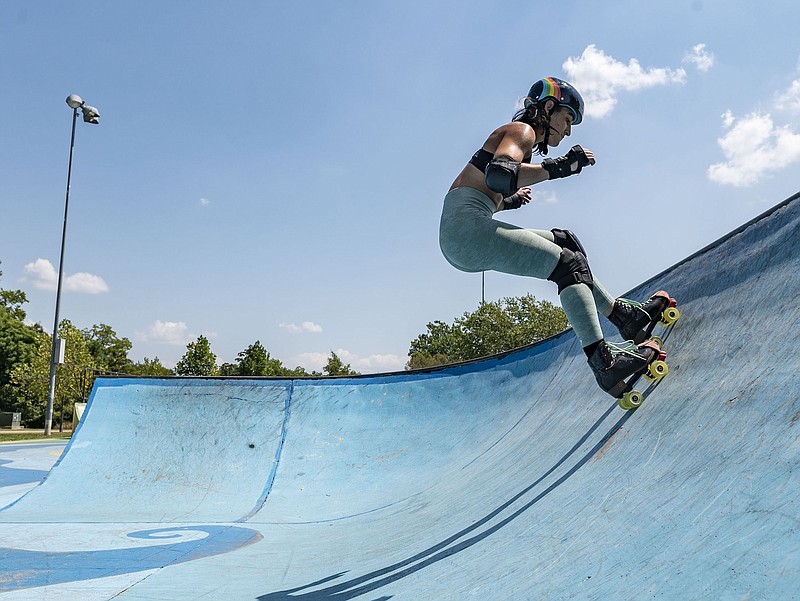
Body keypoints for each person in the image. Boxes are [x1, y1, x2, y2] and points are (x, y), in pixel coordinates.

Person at [439, 77, 673, 397]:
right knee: (568, 266)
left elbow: (488, 184)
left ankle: (625, 318)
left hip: (464, 230)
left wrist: (508, 200)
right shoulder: (522, 132)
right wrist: (560, 166)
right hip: (467, 233)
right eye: (567, 119)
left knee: (565, 242)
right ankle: (603, 361)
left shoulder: (521, 139)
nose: (568, 130)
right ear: (548, 108)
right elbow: (500, 173)